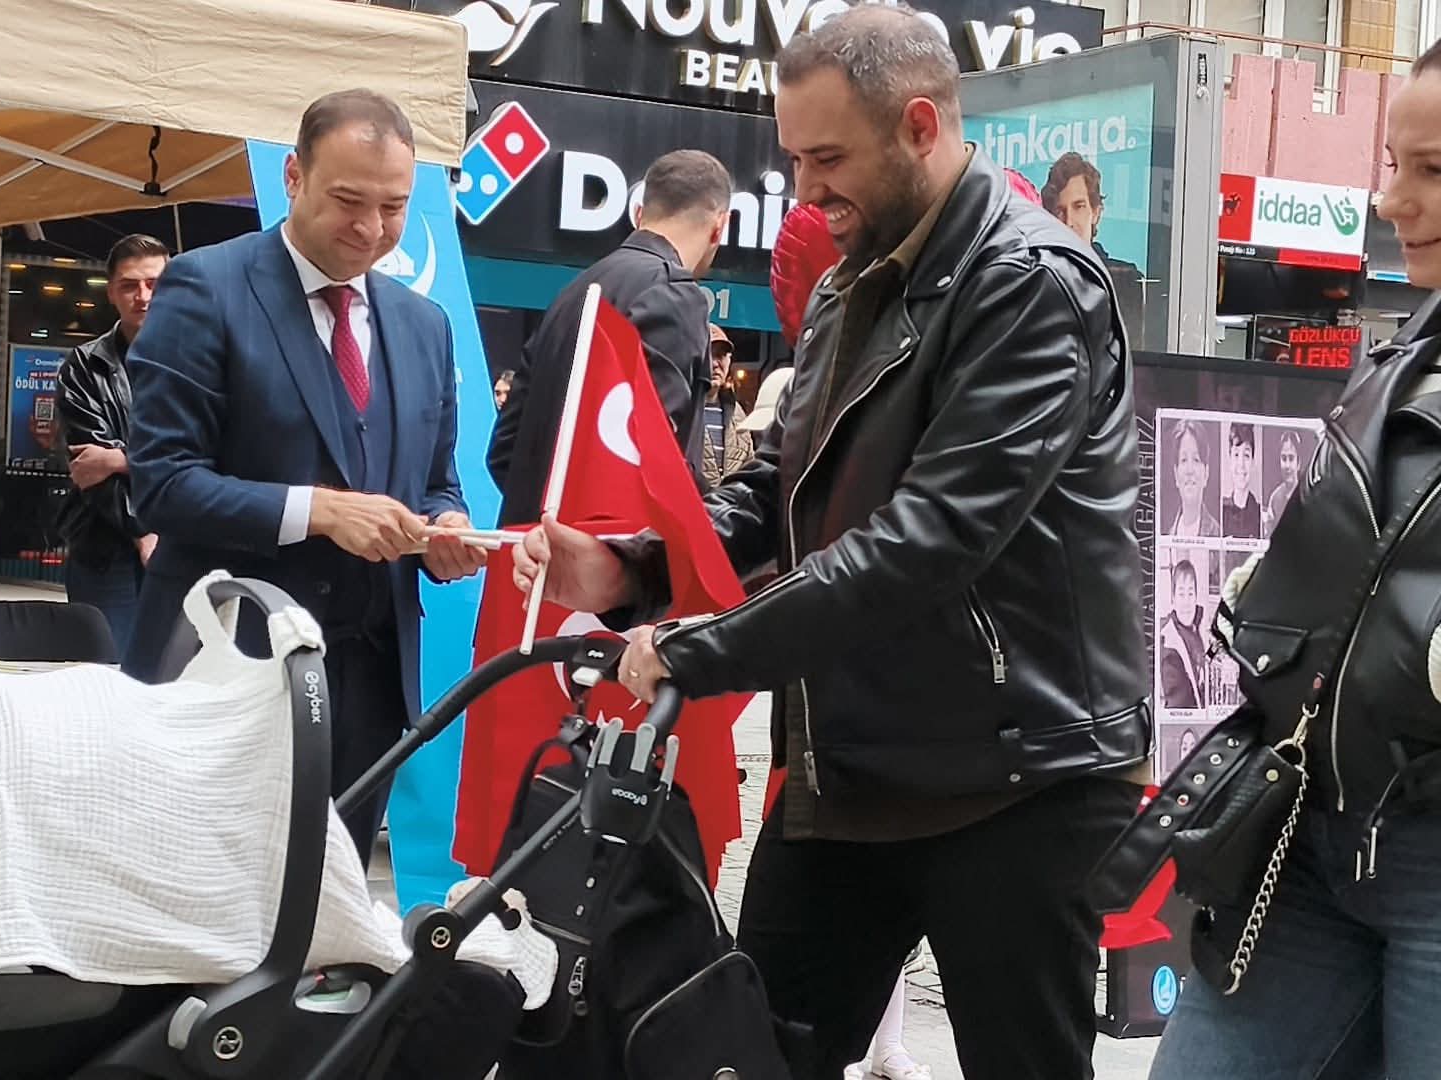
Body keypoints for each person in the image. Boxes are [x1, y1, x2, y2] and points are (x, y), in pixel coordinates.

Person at [511, 9, 1149, 1077]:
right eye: (795, 158)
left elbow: (930, 540)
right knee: (746, 1052)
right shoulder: (851, 280)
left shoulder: (1032, 279)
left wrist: (697, 649)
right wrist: (635, 565)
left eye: (827, 158)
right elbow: (782, 485)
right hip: (852, 770)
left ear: (919, 126)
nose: (804, 189)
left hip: (1017, 779)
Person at [1146, 39, 1441, 1077]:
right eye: (1396, 164)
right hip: (1312, 832)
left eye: (1433, 169)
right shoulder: (1406, 350)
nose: (1393, 200)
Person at [120, 89, 486, 860]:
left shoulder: (424, 325)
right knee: (206, 897)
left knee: (331, 902)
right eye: (348, 201)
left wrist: (445, 530)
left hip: (371, 685)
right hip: (229, 665)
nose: (370, 229)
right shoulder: (205, 288)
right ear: (293, 176)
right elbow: (163, 485)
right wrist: (319, 510)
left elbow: (436, 481)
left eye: (393, 208)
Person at [488, 149, 731, 524]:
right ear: (720, 226)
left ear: (639, 213)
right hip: (608, 551)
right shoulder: (676, 295)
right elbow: (653, 462)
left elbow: (505, 449)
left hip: (529, 546)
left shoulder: (572, 294)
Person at [54, 234, 168, 658]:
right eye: (130, 285)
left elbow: (208, 455)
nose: (143, 296)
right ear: (111, 292)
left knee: (175, 681)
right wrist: (142, 531)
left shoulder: (204, 360)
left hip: (184, 543)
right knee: (105, 675)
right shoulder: (85, 366)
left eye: (154, 283)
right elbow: (89, 467)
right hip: (104, 549)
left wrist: (121, 457)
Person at [1041, 152, 1145, 338]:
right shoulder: (1038, 279)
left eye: (1078, 206)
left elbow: (1131, 348)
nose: (1069, 221)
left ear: (1096, 212)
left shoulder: (1123, 279)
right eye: (1060, 210)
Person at [699, 324, 755, 488]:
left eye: (720, 355)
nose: (715, 364)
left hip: (729, 503)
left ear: (729, 360)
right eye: (708, 355)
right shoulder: (680, 410)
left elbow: (749, 468)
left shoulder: (738, 414)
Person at [1158, 558, 1206, 710]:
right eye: (1181, 594)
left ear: (1196, 597)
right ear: (1173, 599)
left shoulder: (1199, 628)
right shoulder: (1169, 645)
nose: (1186, 602)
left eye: (1190, 593)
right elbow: (1179, 706)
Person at [1162, 419, 1221, 538]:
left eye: (1196, 459)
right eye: (1183, 460)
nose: (1190, 470)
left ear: (1206, 474)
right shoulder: (1168, 536)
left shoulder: (1217, 533)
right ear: (1176, 474)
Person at [1221, 422, 1263, 538]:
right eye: (1236, 455)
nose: (1241, 464)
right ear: (1229, 460)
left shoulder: (1261, 516)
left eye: (1246, 455)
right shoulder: (1221, 514)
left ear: (1253, 462)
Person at [1265, 427, 1302, 524]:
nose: (1287, 465)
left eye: (1291, 458)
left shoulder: (1307, 495)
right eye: (1284, 458)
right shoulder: (1274, 499)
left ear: (1298, 463)